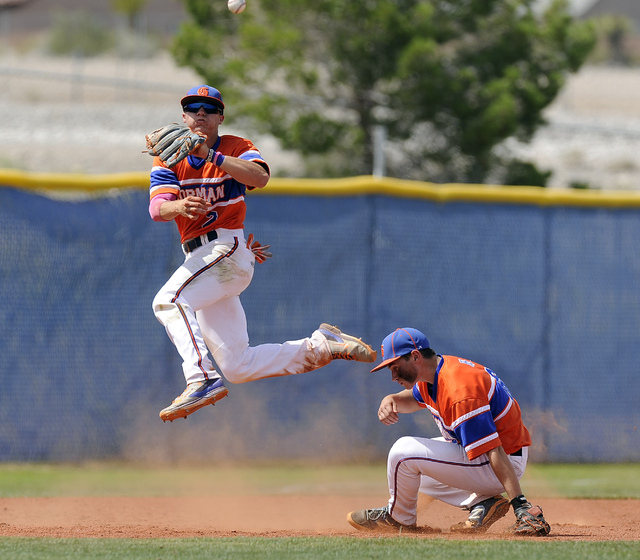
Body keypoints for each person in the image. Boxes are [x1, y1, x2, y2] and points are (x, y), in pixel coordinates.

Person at [149, 85, 376, 422]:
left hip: (224, 249)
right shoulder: (169, 157)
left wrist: (211, 156)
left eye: (209, 109)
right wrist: (179, 205)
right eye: (193, 107)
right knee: (237, 366)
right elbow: (157, 208)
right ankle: (322, 345)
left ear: (220, 117)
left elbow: (261, 176)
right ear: (183, 116)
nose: (200, 113)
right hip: (204, 261)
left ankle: (201, 378)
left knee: (167, 301)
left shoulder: (235, 147)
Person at [347, 327, 551, 536]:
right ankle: (484, 502)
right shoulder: (435, 373)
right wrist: (391, 399)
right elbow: (413, 398)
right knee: (409, 476)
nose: (393, 376)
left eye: (395, 367)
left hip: (502, 461)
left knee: (403, 453)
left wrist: (520, 504)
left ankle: (398, 519)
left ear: (415, 356)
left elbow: (494, 451)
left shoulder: (459, 391)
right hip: (489, 456)